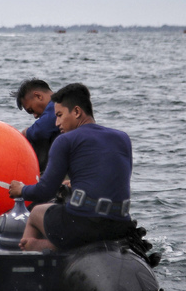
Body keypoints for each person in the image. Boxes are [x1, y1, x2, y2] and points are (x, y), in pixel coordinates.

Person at [8, 83, 136, 252]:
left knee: (36, 212)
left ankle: (34, 249)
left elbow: (44, 191)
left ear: (76, 112)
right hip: (120, 225)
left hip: (84, 225)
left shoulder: (65, 140)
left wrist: (22, 190)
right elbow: (113, 178)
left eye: (60, 115)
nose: (57, 122)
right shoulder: (123, 137)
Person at [11, 79, 60, 172]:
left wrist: (26, 132)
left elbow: (40, 131)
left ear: (38, 96)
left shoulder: (57, 105)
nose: (35, 116)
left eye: (31, 110)